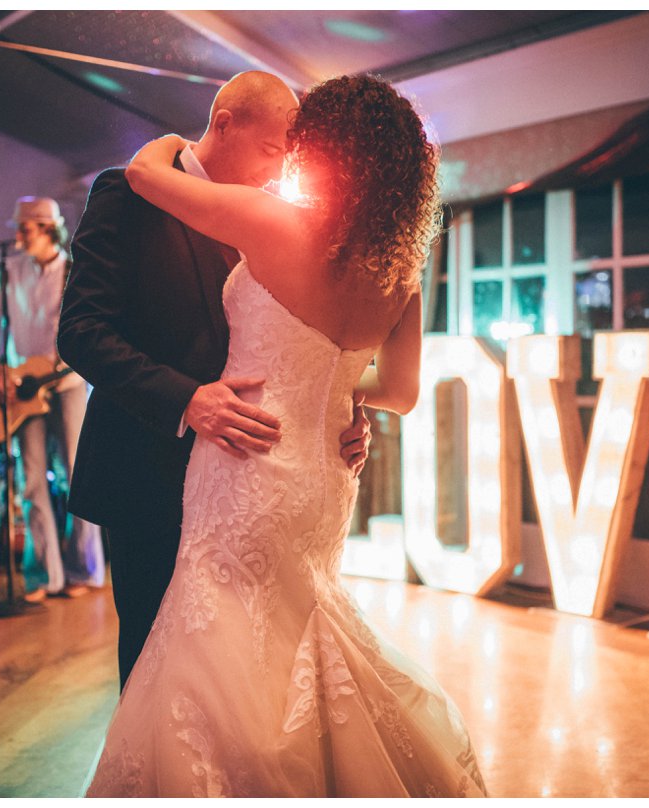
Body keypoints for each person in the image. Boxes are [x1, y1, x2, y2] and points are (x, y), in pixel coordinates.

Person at [82, 75, 486, 797]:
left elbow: (147, 170)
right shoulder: (401, 271)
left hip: (249, 471)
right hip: (311, 480)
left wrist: (172, 140)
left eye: (299, 147)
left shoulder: (273, 224)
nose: (286, 162)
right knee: (301, 641)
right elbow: (397, 392)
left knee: (214, 658)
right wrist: (329, 401)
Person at [57, 71, 371, 691]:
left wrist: (342, 411)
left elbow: (297, 343)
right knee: (154, 669)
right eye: (271, 149)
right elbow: (82, 331)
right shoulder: (128, 194)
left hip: (243, 487)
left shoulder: (268, 220)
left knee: (233, 678)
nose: (277, 169)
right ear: (226, 123)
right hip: (149, 470)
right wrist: (186, 399)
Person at [0, 196, 104, 601]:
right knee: (31, 483)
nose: (17, 235)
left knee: (78, 477)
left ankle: (83, 569)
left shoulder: (73, 271)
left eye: (24, 228)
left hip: (66, 385)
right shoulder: (8, 272)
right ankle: (43, 576)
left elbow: (90, 325)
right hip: (21, 390)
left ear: (47, 229)